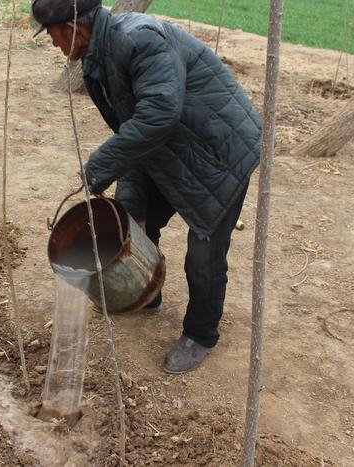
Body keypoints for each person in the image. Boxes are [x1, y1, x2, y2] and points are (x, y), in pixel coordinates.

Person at [32, 0, 262, 374]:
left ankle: (201, 334)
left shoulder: (140, 39)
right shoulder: (96, 59)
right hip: (171, 147)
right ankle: (145, 290)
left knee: (204, 252)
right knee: (133, 217)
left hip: (220, 149)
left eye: (54, 36)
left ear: (72, 27)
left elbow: (158, 115)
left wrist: (99, 167)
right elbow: (133, 128)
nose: (56, 46)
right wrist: (130, 203)